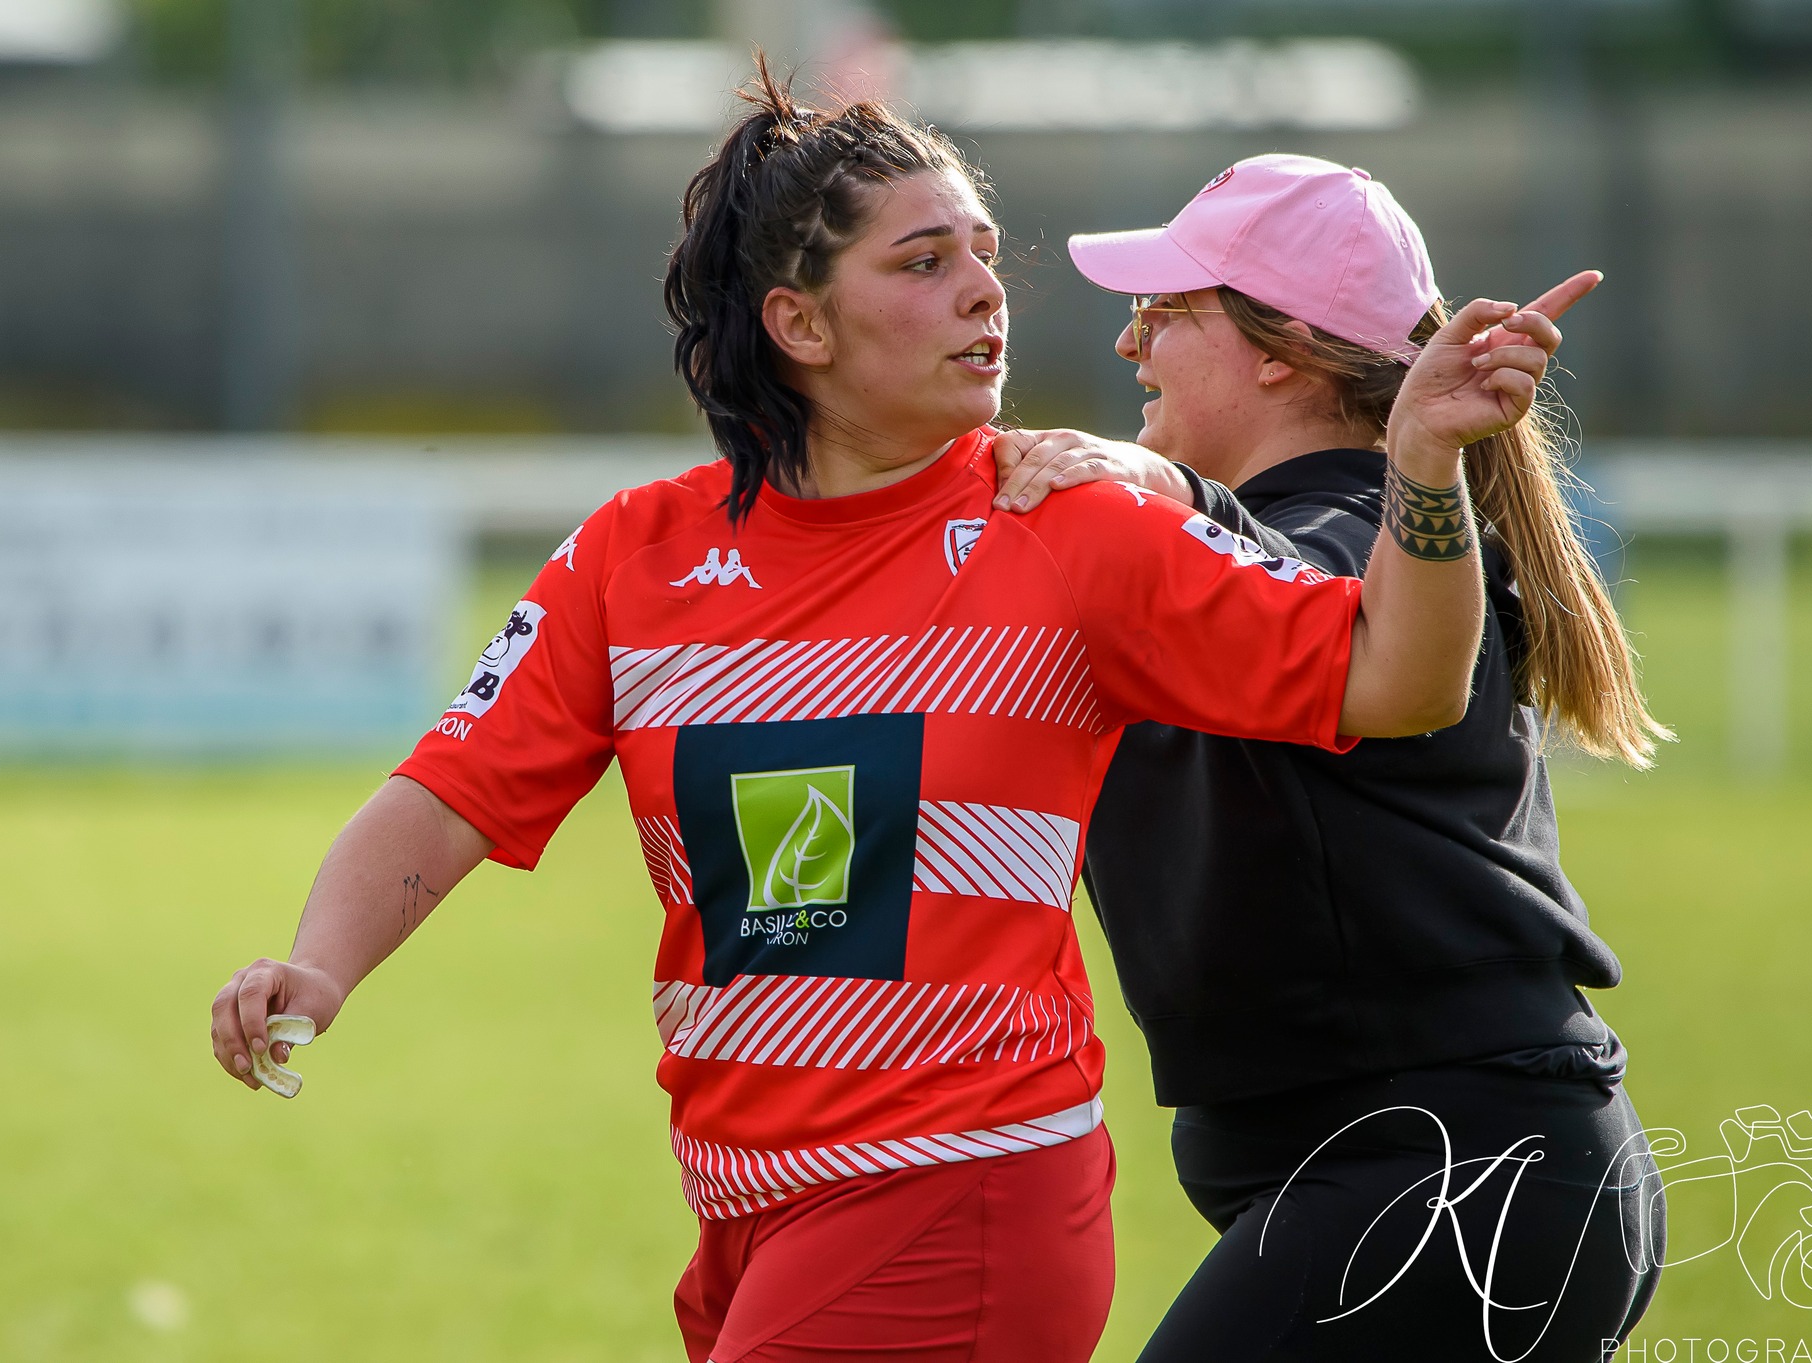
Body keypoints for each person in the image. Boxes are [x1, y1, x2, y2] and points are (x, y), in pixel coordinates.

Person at [208, 73, 1550, 1361]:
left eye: (983, 254)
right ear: (799, 323)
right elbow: (453, 789)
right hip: (746, 1206)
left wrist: (1424, 462)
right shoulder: (635, 555)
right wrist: (319, 964)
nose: (984, 291)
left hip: (963, 1182)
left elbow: (1401, 679)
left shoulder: (1071, 523)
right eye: (923, 263)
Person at [992, 153, 1669, 1362]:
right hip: (1441, 1177)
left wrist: (1166, 486)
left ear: (1278, 349)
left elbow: (1303, 599)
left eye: (1164, 311)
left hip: (1446, 1174)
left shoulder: (1370, 540)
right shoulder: (1216, 547)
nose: (1127, 345)